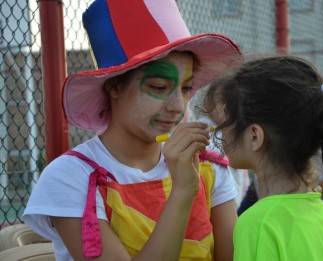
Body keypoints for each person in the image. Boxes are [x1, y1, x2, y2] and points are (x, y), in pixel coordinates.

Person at [23, 0, 243, 260]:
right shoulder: (72, 176)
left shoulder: (207, 166)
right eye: (159, 87)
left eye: (185, 88)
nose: (177, 106)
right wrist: (183, 192)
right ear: (114, 87)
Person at [201, 55, 323, 260]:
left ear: (254, 136)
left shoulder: (258, 223)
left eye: (222, 125)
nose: (219, 134)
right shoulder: (318, 211)